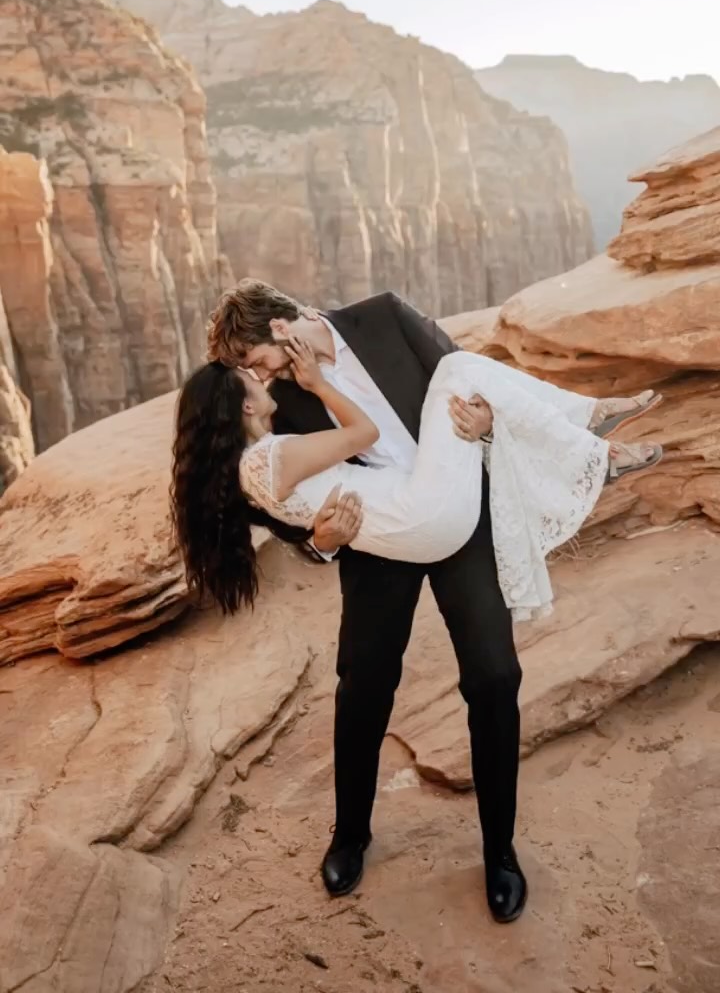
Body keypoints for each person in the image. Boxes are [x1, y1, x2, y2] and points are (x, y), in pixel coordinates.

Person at [171, 282, 662, 923]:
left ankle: (500, 852)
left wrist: (488, 426)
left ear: (284, 326)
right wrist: (321, 541)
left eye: (257, 359)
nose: (261, 375)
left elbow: (477, 388)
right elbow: (276, 500)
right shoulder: (280, 398)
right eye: (251, 372)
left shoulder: (384, 317)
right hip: (376, 542)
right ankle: (350, 835)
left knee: (494, 678)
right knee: (364, 686)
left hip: (457, 518)